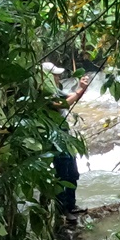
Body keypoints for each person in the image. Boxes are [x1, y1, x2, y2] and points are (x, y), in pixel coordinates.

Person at [43, 62, 90, 217]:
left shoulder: (55, 90)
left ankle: (71, 205)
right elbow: (61, 105)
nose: (58, 77)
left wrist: (81, 88)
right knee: (62, 172)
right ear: (47, 77)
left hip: (64, 134)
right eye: (55, 75)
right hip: (54, 136)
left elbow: (71, 97)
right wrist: (80, 91)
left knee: (72, 171)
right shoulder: (43, 92)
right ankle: (62, 210)